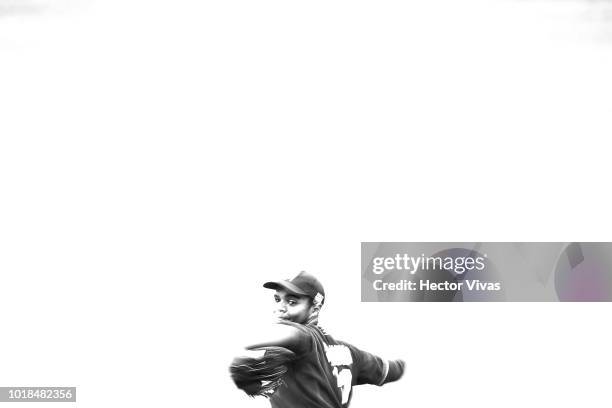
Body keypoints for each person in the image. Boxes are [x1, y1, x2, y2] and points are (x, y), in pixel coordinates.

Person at [232, 271, 405, 408]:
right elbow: (390, 370)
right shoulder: (351, 354)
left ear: (315, 307)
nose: (280, 308)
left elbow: (290, 336)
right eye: (277, 299)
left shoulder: (302, 338)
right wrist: (404, 363)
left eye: (292, 302)